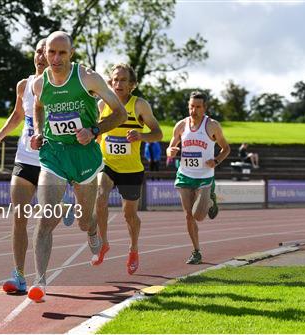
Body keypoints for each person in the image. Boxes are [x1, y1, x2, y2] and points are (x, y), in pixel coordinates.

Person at [28, 31, 127, 302]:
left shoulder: (87, 78)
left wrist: (94, 130)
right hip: (54, 155)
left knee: (85, 220)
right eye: (51, 52)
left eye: (62, 53)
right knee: (45, 217)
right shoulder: (39, 84)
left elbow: (120, 113)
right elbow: (38, 107)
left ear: (71, 53)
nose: (56, 58)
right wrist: (38, 131)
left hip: (85, 156)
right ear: (44, 53)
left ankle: (94, 232)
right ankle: (40, 281)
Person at [0, 38, 48, 294]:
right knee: (19, 217)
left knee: (46, 218)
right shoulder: (23, 85)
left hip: (50, 161)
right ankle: (20, 275)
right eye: (38, 52)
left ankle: (65, 203)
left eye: (46, 52)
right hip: (24, 158)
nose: (42, 57)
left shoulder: (62, 87)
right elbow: (17, 115)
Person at [91, 63, 163, 274]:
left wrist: (141, 136)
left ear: (132, 85)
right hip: (107, 163)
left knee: (129, 214)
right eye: (114, 79)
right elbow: (98, 134)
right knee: (100, 198)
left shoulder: (140, 105)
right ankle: (104, 243)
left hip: (131, 169)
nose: (118, 83)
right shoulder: (102, 105)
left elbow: (158, 134)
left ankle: (133, 248)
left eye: (123, 80)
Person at [166, 91, 230, 264]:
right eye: (191, 107)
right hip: (185, 175)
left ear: (205, 108)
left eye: (198, 107)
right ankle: (196, 251)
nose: (193, 110)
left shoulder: (212, 126)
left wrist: (216, 160)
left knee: (199, 215)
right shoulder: (181, 125)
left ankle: (210, 200)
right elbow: (170, 147)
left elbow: (226, 148)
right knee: (188, 216)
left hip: (204, 176)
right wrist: (170, 152)